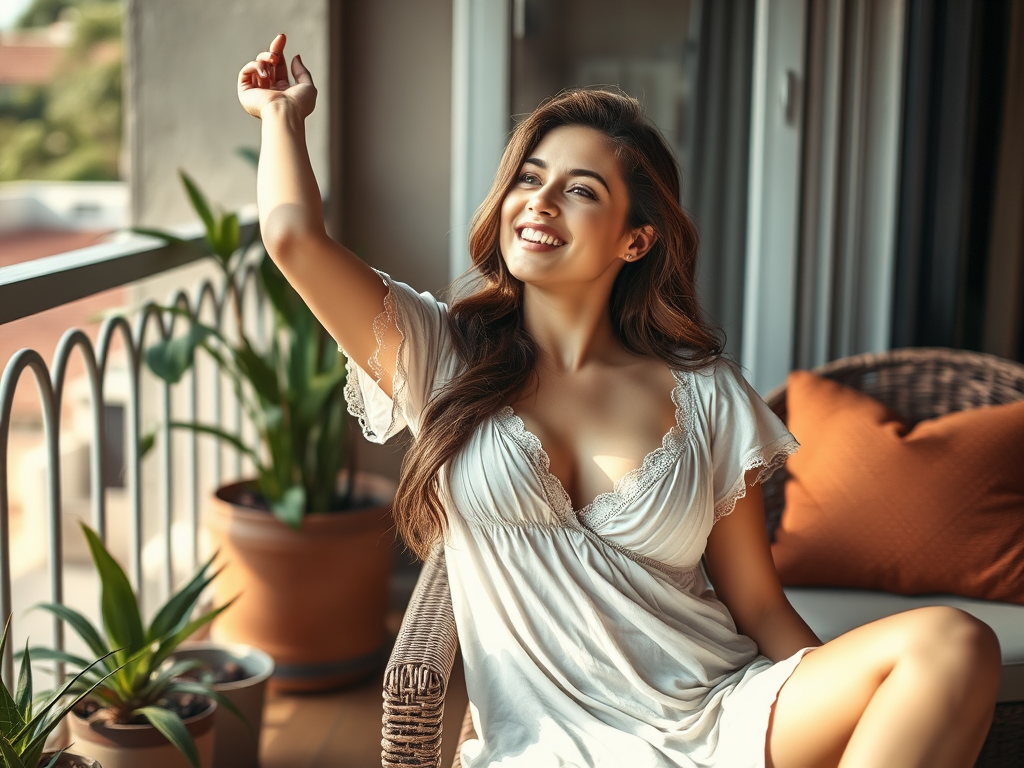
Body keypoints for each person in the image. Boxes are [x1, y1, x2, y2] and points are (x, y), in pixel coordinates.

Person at [238, 33, 1002, 768]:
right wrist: (281, 117)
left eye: (579, 190)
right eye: (529, 179)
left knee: (954, 643)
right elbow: (294, 240)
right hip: (547, 743)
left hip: (719, 714)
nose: (538, 203)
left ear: (634, 241)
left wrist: (832, 709)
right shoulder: (437, 356)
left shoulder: (707, 395)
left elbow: (760, 609)